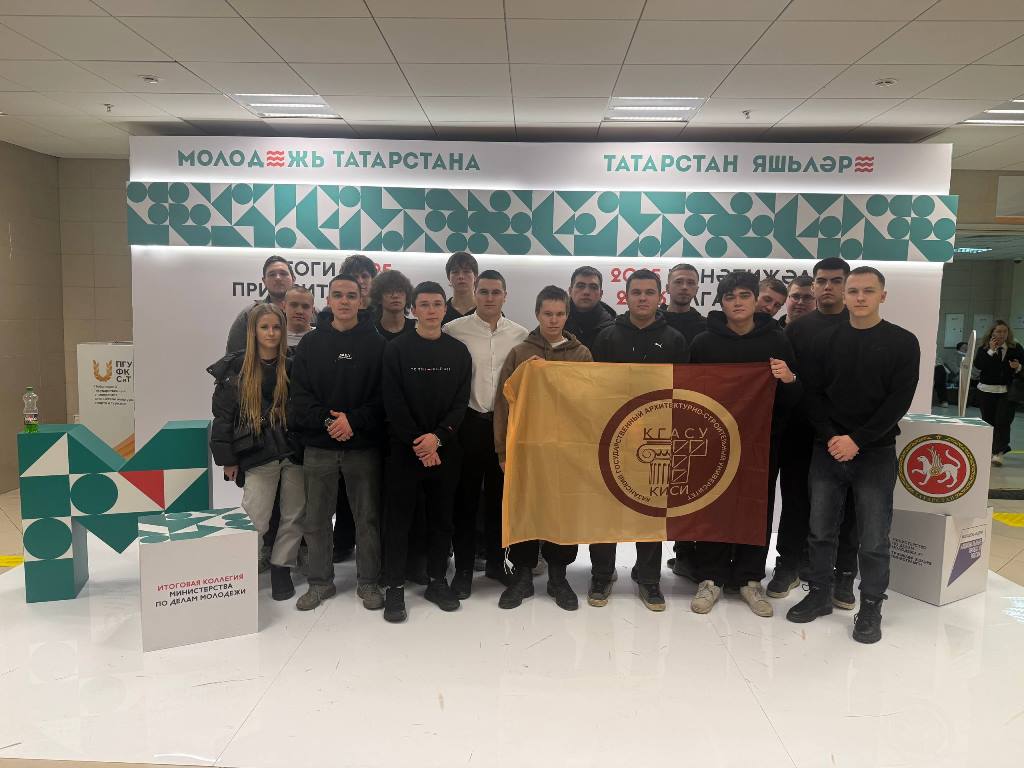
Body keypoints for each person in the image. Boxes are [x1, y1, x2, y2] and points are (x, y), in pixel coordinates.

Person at [787, 267, 919, 644]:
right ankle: (819, 594)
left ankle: (871, 606)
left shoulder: (902, 342)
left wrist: (857, 440)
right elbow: (812, 394)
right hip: (827, 449)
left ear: (882, 296)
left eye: (868, 291)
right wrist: (833, 437)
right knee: (820, 531)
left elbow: (898, 401)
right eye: (854, 291)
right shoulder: (825, 341)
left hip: (875, 453)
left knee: (874, 538)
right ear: (844, 296)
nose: (860, 297)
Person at [687, 272, 800, 617]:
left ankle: (750, 578)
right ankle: (711, 577)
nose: (737, 302)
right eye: (730, 297)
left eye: (744, 295)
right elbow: (690, 395)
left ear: (755, 300)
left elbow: (792, 396)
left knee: (756, 506)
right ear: (721, 302)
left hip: (761, 441)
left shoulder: (777, 340)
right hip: (712, 441)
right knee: (713, 504)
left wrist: (789, 379)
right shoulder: (703, 343)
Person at [588, 268, 689, 612]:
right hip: (611, 438)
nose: (643, 298)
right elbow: (593, 389)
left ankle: (648, 578)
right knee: (605, 508)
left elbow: (684, 392)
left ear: (660, 297)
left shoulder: (675, 339)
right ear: (626, 296)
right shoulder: (605, 337)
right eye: (636, 292)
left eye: (649, 292)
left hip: (657, 439)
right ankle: (602, 574)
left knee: (650, 509)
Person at [288, 274, 387, 611]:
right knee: (316, 520)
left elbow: (384, 399)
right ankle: (320, 583)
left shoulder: (377, 345)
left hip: (363, 447)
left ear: (361, 301)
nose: (344, 301)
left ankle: (369, 582)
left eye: (351, 295)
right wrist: (330, 422)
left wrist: (353, 421)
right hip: (320, 446)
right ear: (328, 301)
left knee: (367, 519)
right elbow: (300, 397)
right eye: (338, 295)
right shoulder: (310, 344)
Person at [493, 286, 594, 611]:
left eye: (559, 314)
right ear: (537, 314)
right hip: (527, 449)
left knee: (562, 511)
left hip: (566, 451)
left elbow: (589, 402)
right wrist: (503, 451)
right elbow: (504, 404)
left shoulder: (581, 354)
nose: (553, 320)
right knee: (525, 507)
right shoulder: (520, 353)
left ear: (567, 316)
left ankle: (558, 576)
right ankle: (522, 575)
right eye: (547, 313)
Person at [770, 257, 860, 609]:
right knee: (795, 500)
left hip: (843, 435)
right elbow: (785, 382)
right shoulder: (796, 330)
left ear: (847, 285)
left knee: (845, 506)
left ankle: (843, 572)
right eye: (821, 281)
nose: (827, 287)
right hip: (799, 430)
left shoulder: (861, 326)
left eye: (836, 281)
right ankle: (788, 564)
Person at [381, 282, 472, 623]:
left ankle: (437, 581)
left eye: (437, 304)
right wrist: (420, 443)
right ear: (413, 309)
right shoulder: (396, 349)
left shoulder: (458, 352)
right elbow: (393, 402)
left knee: (441, 520)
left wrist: (438, 438)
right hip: (405, 451)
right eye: (424, 304)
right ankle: (394, 588)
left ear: (444, 309)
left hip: (445, 450)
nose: (431, 310)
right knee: (399, 521)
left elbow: (460, 403)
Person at [209, 304, 304, 602]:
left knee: (293, 515)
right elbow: (223, 418)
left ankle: (281, 568)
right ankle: (243, 569)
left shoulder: (294, 365)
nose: (271, 333)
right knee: (256, 517)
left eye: (276, 327)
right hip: (258, 453)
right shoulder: (236, 368)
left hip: (294, 453)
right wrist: (227, 460)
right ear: (253, 331)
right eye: (264, 327)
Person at [443, 269, 528, 598]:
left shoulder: (520, 335)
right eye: (484, 291)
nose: (490, 297)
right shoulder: (454, 330)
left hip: (505, 427)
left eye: (496, 292)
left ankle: (497, 563)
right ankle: (464, 569)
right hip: (467, 424)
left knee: (499, 501)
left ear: (506, 296)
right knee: (465, 502)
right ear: (475, 293)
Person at [974, 320, 1024, 465]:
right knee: (989, 421)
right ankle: (997, 447)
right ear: (992, 333)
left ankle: (998, 452)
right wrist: (991, 351)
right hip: (986, 390)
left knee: (1003, 421)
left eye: (1005, 331)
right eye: (998, 331)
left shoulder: (1016, 348)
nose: (1002, 334)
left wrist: (1018, 367)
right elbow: (978, 365)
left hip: (1007, 391)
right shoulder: (984, 348)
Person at [226, 255, 294, 353]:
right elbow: (233, 356)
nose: (278, 278)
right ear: (264, 281)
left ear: (293, 279)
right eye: (272, 274)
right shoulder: (249, 314)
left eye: (283, 274)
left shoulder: (311, 313)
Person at [565, 265, 616, 350]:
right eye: (580, 286)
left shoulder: (612, 329)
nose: (586, 292)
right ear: (570, 291)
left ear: (601, 294)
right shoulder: (555, 321)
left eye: (593, 287)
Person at [659, 262, 707, 343]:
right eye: (678, 282)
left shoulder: (705, 327)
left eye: (690, 283)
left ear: (696, 290)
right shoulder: (652, 321)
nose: (684, 287)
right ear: (667, 288)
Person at [371, 268, 417, 341]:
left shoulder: (418, 328)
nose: (395, 296)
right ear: (379, 298)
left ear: (407, 297)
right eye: (389, 291)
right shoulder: (371, 330)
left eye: (400, 291)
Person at [442, 251, 479, 325]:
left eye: (466, 271)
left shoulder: (488, 310)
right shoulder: (440, 312)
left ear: (475, 276)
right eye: (455, 272)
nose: (461, 276)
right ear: (449, 277)